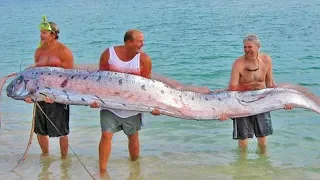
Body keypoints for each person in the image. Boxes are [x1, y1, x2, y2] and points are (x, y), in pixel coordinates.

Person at [89, 29, 160, 174]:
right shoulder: (108, 54)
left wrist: (153, 107)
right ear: (128, 42)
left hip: (133, 107)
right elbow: (100, 81)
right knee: (106, 135)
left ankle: (135, 170)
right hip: (109, 105)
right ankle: (102, 172)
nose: (143, 44)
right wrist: (95, 99)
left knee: (133, 138)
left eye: (143, 41)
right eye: (139, 41)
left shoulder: (144, 60)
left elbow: (147, 87)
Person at [219, 34, 292, 154]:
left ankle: (263, 164)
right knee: (243, 139)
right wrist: (225, 111)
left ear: (258, 46)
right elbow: (232, 88)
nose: (247, 50)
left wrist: (284, 101)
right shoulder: (238, 63)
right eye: (244, 47)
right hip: (242, 101)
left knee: (262, 138)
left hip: (262, 100)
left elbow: (270, 84)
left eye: (249, 47)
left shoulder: (267, 60)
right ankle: (242, 166)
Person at [25, 16, 74, 158]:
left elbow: (70, 77)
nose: (41, 35)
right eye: (40, 32)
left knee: (62, 132)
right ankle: (45, 157)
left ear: (53, 34)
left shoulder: (63, 51)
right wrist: (30, 94)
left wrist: (57, 95)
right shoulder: (38, 52)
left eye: (44, 32)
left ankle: (65, 160)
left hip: (58, 95)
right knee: (40, 130)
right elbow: (36, 77)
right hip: (40, 95)